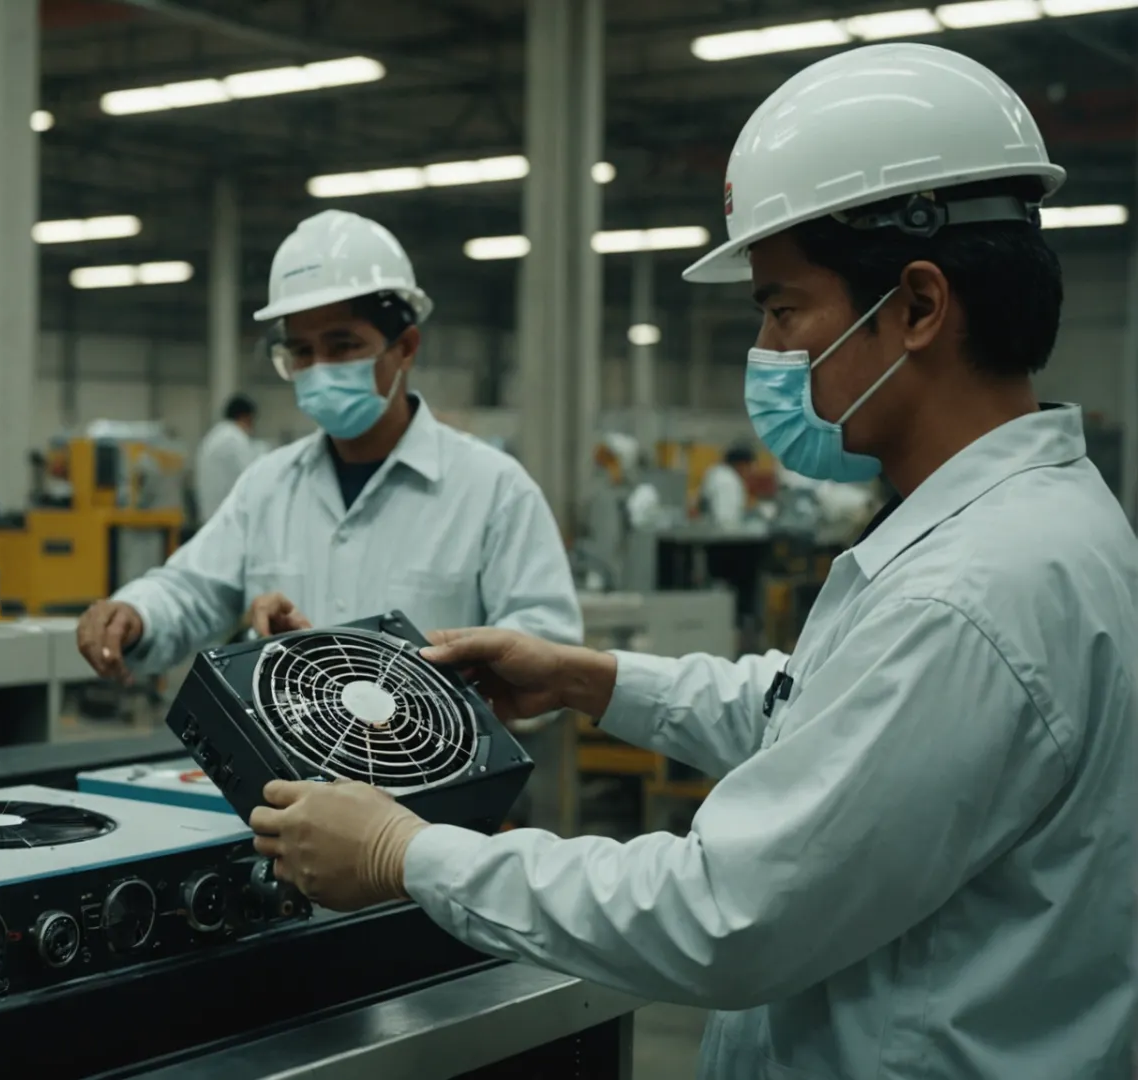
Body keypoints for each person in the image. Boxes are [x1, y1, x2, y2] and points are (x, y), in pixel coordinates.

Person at [249, 43, 1136, 1079]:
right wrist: (588, 678)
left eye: (779, 307)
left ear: (917, 306)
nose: (765, 349)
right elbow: (814, 718)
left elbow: (726, 913)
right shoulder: (1024, 531)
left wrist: (407, 852)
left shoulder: (973, 592)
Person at [76, 208, 582, 683]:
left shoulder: (492, 489)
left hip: (433, 773)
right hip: (286, 774)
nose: (319, 368)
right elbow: (191, 591)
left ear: (405, 347)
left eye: (343, 346)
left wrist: (441, 688)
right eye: (301, 351)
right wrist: (136, 613)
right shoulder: (268, 486)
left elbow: (545, 650)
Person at [192, 394, 262, 524]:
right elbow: (252, 476)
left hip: (210, 516)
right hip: (228, 520)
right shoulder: (234, 439)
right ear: (246, 416)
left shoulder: (215, 436)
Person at [698, 443, 754, 528]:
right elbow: (726, 520)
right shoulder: (728, 481)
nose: (750, 472)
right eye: (749, 467)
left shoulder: (716, 472)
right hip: (722, 536)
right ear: (741, 464)